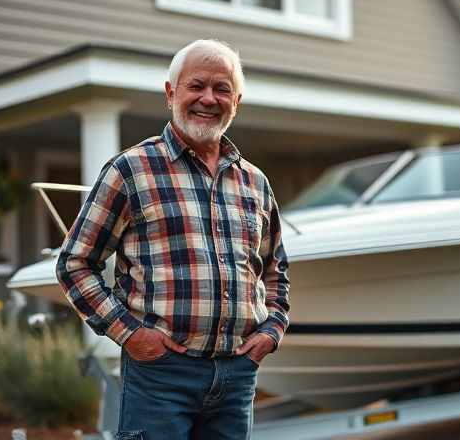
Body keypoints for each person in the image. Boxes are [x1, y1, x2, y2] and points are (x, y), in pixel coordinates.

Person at [56, 39, 290, 439]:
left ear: (237, 101)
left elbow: (274, 269)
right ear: (170, 93)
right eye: (196, 86)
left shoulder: (255, 181)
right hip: (160, 376)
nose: (208, 98)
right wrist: (130, 334)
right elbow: (75, 263)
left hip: (236, 377)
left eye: (222, 89)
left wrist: (271, 331)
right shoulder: (129, 170)